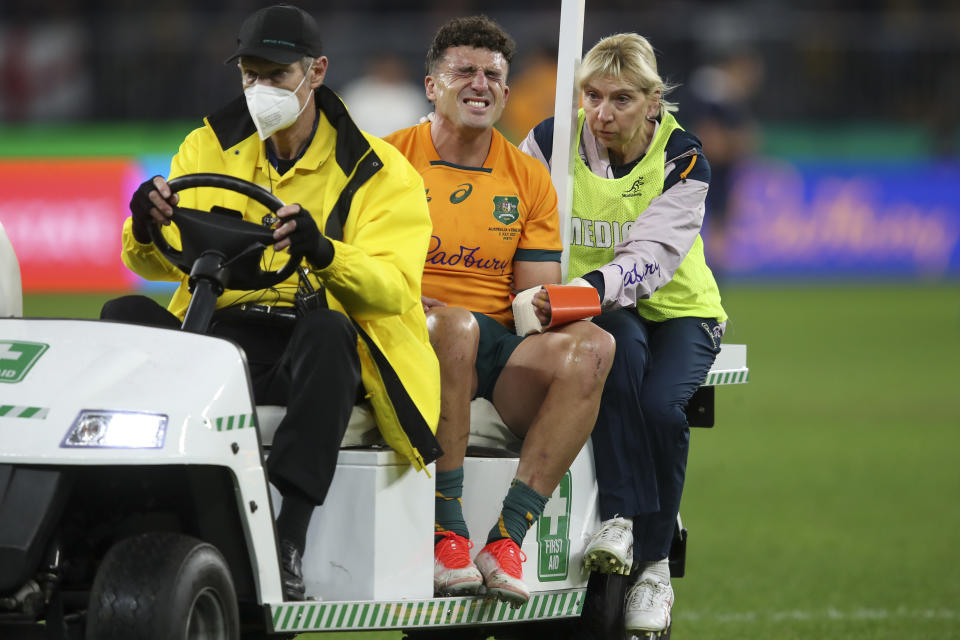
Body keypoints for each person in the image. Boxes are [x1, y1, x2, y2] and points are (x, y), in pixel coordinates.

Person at [99, 4, 441, 602]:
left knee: (332, 334)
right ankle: (129, 512)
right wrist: (146, 228)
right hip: (217, 331)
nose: (260, 89)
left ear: (317, 73)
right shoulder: (206, 145)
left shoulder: (377, 172)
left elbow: (394, 289)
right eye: (250, 74)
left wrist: (326, 251)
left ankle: (290, 536)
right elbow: (156, 262)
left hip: (307, 345)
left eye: (277, 74)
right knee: (121, 319)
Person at [384, 16, 615, 607]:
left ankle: (506, 539)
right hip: (408, 334)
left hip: (493, 341)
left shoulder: (528, 177)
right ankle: (446, 532)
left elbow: (532, 300)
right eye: (464, 70)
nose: (480, 83)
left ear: (507, 94)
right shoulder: (386, 163)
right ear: (432, 86)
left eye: (492, 75)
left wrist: (547, 304)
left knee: (594, 347)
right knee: (453, 325)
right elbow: (356, 268)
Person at [519, 33, 727, 636]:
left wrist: (567, 296)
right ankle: (621, 520)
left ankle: (656, 567)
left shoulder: (684, 159)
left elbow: (650, 261)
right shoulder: (552, 141)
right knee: (614, 356)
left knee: (664, 409)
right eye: (592, 96)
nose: (603, 114)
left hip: (680, 307)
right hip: (606, 309)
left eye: (622, 100)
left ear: (654, 100)